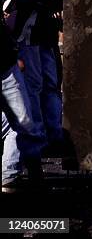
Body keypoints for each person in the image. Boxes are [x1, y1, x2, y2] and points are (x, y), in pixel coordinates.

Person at [12, 0, 64, 159]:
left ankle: (53, 136)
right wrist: (37, 3)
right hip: (32, 23)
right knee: (35, 83)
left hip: (47, 25)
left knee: (51, 82)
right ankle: (39, 139)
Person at [2, 16, 44, 188]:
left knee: (23, 124)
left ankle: (13, 175)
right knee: (22, 124)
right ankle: (14, 175)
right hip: (7, 69)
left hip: (6, 68)